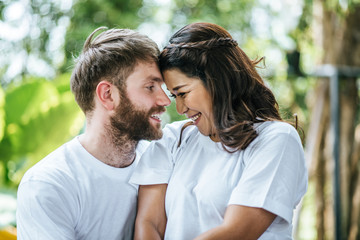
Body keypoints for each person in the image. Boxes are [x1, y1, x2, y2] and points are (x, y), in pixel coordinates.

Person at [130, 22, 308, 240]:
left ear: (217, 81)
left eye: (183, 93)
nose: (180, 108)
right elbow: (150, 224)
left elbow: (236, 232)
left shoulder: (275, 140)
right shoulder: (173, 139)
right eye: (175, 96)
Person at [16, 27, 171, 239]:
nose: (165, 101)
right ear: (108, 95)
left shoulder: (160, 161)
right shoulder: (49, 184)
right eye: (150, 87)